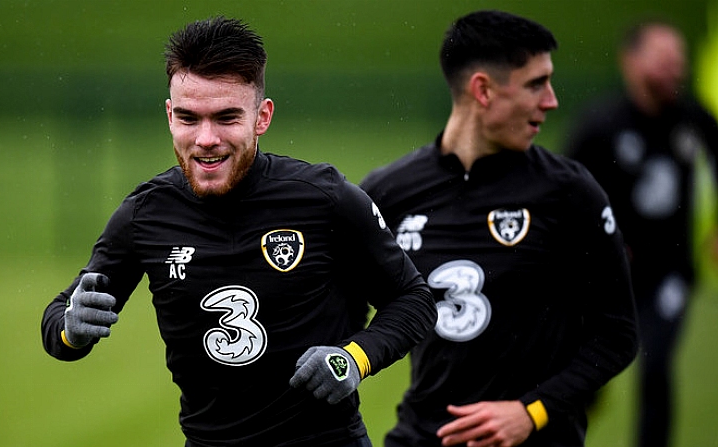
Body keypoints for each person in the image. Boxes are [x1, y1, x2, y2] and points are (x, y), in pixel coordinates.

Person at [40, 16, 437, 447]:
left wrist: (353, 359)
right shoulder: (144, 214)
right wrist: (70, 329)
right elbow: (63, 316)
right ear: (170, 115)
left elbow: (413, 299)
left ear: (261, 117)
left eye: (226, 117)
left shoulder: (325, 199)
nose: (206, 138)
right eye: (189, 118)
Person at [360, 10, 638, 447]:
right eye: (535, 84)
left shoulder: (570, 193)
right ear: (483, 90)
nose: (551, 101)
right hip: (423, 436)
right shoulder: (389, 191)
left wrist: (533, 411)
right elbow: (345, 318)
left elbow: (618, 335)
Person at [566, 21, 718, 447]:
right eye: (663, 59)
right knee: (588, 373)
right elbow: (566, 192)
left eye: (679, 61)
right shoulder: (601, 125)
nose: (675, 70)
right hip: (608, 274)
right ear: (630, 62)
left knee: (655, 365)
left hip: (670, 270)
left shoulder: (694, 121)